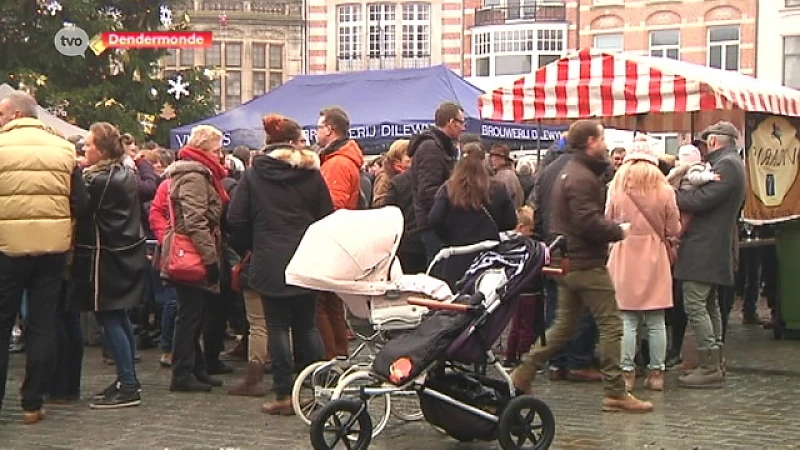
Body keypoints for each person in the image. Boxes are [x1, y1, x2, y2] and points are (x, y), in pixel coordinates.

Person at [511, 119, 654, 413]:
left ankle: (525, 371)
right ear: (591, 142)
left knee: (563, 326)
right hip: (585, 262)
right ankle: (616, 391)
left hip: (569, 260)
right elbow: (587, 220)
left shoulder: (567, 171)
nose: (604, 143)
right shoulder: (582, 177)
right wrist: (617, 230)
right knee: (611, 324)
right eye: (601, 138)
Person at [227, 113, 331, 414]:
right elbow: (326, 216)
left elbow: (236, 218)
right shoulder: (312, 174)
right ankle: (316, 390)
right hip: (307, 256)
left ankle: (285, 394)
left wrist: (253, 246)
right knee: (307, 326)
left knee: (276, 327)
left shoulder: (253, 174)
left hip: (269, 258)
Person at [0, 92, 88, 424]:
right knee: (42, 324)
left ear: (15, 114)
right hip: (52, 249)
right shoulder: (64, 149)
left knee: (3, 322)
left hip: (7, 247)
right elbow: (81, 201)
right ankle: (32, 403)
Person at [69, 122, 148, 409]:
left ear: (101, 151)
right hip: (122, 252)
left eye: (88, 145)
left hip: (106, 256)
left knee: (110, 317)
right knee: (118, 316)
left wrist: (74, 172)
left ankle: (127, 384)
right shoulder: (125, 172)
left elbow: (80, 206)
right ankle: (127, 379)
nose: (84, 149)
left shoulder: (99, 179)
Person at [674, 121, 746, 389]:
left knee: (695, 303)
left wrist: (675, 194)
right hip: (712, 247)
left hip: (705, 247)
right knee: (710, 304)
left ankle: (709, 366)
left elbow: (700, 200)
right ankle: (715, 362)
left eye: (706, 144)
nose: (704, 149)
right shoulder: (732, 163)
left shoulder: (726, 165)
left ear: (714, 141)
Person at [606, 141, 681, 392]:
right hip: (654, 255)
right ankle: (656, 374)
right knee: (656, 319)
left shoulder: (616, 186)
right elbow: (674, 228)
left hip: (625, 251)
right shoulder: (664, 188)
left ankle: (627, 374)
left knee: (627, 319)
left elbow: (608, 220)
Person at [160, 125, 229, 393]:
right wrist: (210, 260)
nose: (220, 155)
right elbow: (194, 222)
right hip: (190, 253)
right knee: (189, 315)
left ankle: (195, 368)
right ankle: (182, 373)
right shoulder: (194, 176)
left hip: (193, 250)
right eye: (216, 150)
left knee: (195, 314)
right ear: (204, 149)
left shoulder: (199, 173)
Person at [428, 143, 516, 290]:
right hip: (489, 258)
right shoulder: (497, 188)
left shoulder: (448, 189)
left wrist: (448, 237)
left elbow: (434, 218)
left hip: (456, 257)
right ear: (483, 163)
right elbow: (511, 222)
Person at [315, 106, 363, 359]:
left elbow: (333, 206)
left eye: (319, 127)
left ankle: (330, 358)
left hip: (331, 240)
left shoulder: (337, 164)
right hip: (338, 239)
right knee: (331, 303)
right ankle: (339, 355)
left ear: (330, 129)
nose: (316, 132)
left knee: (321, 305)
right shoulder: (340, 160)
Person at [408, 102, 465, 264]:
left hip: (438, 224)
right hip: (434, 226)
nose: (463, 127)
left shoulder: (441, 147)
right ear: (451, 122)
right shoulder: (431, 148)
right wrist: (448, 210)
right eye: (461, 122)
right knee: (440, 275)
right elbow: (428, 192)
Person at [503, 205, 538, 367]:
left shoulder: (508, 244)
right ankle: (524, 355)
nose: (532, 233)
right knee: (527, 325)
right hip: (528, 290)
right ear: (522, 228)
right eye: (530, 229)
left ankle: (510, 355)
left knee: (515, 325)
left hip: (515, 290)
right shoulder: (528, 246)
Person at [384, 154, 427, 274]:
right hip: (429, 239)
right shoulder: (436, 179)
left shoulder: (397, 182)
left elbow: (389, 213)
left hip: (405, 242)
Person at [666, 144, 719, 233]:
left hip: (684, 193)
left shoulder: (683, 169)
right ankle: (678, 234)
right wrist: (709, 177)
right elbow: (694, 178)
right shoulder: (695, 168)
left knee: (682, 218)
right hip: (688, 192)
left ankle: (677, 235)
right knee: (685, 219)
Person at [372, 140, 410, 207]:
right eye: (408, 155)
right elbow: (377, 204)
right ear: (398, 157)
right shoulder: (385, 177)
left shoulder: (411, 174)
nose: (411, 158)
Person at [489, 144, 525, 208]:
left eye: (497, 157)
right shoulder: (510, 174)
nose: (493, 159)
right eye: (492, 156)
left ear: (504, 159)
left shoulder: (505, 176)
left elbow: (499, 201)